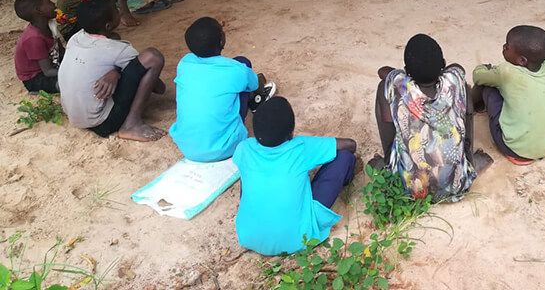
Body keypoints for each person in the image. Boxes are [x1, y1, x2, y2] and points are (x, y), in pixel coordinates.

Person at [373, 34, 492, 202]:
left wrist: (401, 75)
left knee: (382, 88)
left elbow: (382, 71)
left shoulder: (400, 86)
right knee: (464, 91)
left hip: (409, 189)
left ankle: (388, 165)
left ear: (407, 72)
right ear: (442, 65)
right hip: (456, 186)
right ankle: (468, 162)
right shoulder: (454, 81)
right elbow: (457, 67)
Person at [233, 96, 357, 255]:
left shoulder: (244, 149)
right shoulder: (299, 147)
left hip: (249, 236)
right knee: (344, 157)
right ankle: (348, 177)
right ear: (291, 134)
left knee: (249, 176)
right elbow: (350, 144)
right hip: (298, 239)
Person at [58, 0, 167, 142]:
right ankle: (131, 124)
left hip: (76, 118)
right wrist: (122, 72)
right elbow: (159, 88)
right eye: (116, 10)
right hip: (104, 122)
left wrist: (115, 72)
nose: (119, 11)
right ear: (109, 25)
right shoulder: (119, 50)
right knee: (152, 57)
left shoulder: (75, 38)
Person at [170, 17, 270, 162]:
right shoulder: (235, 69)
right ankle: (256, 101)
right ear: (222, 41)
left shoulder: (184, 63)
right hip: (225, 148)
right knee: (243, 63)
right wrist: (259, 88)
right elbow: (254, 84)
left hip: (187, 148)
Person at [471, 26, 545, 165]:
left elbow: (478, 77)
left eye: (507, 46)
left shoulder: (506, 72)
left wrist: (483, 68)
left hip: (513, 148)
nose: (504, 47)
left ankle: (472, 107)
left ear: (522, 61)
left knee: (488, 87)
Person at [13, 0, 61, 95]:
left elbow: (60, 49)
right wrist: (71, 71)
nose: (54, 4)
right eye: (49, 2)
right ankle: (38, 90)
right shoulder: (34, 39)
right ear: (39, 10)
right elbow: (48, 71)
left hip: (52, 64)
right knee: (66, 83)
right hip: (35, 77)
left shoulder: (50, 25)